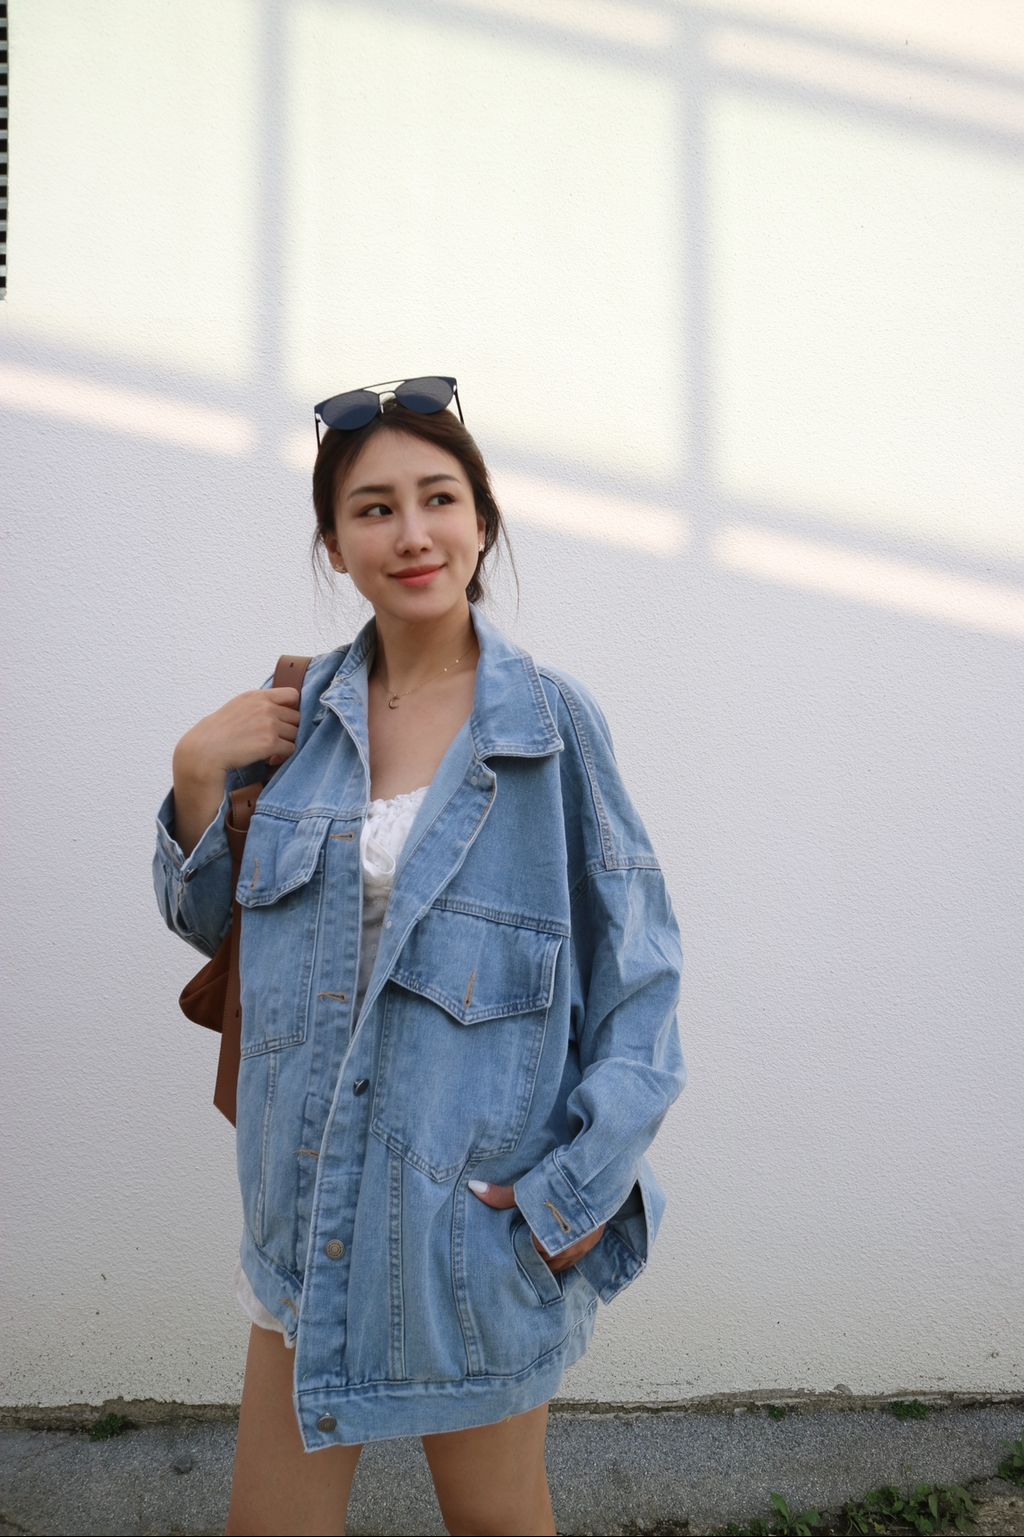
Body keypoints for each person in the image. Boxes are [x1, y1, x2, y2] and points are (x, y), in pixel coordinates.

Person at [152, 376, 687, 1537]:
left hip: (468, 1235)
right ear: (334, 544)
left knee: (495, 1520)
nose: (412, 532)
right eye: (374, 507)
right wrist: (197, 777)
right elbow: (220, 936)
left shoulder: (549, 729)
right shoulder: (296, 724)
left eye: (438, 498)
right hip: (305, 1219)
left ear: (481, 522)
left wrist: (566, 1199)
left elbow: (640, 980)